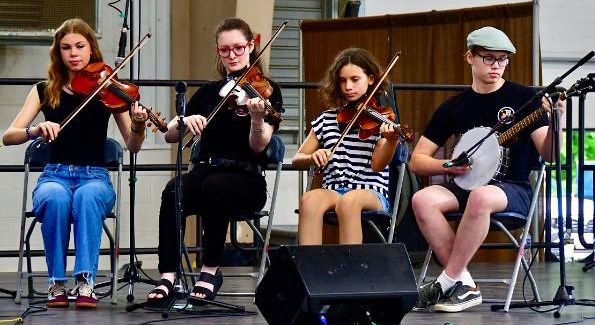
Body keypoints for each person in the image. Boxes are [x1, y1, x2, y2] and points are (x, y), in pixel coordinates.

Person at [409, 26, 565, 312]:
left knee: (481, 196)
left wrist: (556, 121)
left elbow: (551, 154)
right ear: (470, 57)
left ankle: (446, 281)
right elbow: (417, 159)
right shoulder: (454, 107)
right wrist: (449, 166)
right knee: (422, 199)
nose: (497, 66)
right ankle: (465, 283)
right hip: (465, 183)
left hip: (513, 188)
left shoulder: (525, 98)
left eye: (503, 59)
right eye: (488, 58)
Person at [2, 18, 148, 308]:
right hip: (54, 175)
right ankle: (56, 283)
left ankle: (85, 282)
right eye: (66, 47)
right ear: (58, 53)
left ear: (91, 49)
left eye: (80, 46)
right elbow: (9, 136)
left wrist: (140, 125)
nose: (74, 53)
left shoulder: (109, 90)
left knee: (87, 196)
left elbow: (132, 145)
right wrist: (35, 130)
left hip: (95, 177)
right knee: (54, 197)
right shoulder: (45, 90)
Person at [147, 17, 283, 305]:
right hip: (207, 171)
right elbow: (170, 136)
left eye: (238, 48)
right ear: (218, 52)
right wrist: (185, 120)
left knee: (216, 188)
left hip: (247, 180)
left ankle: (210, 270)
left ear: (251, 46)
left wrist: (257, 118)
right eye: (224, 50)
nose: (232, 55)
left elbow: (259, 146)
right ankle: (169, 274)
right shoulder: (209, 92)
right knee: (174, 189)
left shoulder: (266, 90)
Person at [292, 47, 400, 245]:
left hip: (370, 192)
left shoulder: (380, 121)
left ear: (371, 79)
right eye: (343, 81)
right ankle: (309, 269)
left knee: (349, 201)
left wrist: (391, 140)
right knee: (309, 200)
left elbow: (377, 166)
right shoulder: (327, 119)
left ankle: (351, 270)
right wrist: (313, 157)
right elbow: (297, 159)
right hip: (333, 189)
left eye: (355, 80)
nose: (348, 86)